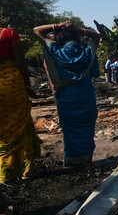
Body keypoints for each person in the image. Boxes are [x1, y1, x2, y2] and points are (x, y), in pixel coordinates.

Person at [34, 22, 101, 168]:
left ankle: (70, 161)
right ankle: (87, 161)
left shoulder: (56, 51)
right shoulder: (87, 52)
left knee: (69, 130)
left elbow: (37, 30)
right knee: (87, 128)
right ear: (76, 38)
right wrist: (77, 29)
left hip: (66, 96)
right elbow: (96, 36)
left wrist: (57, 26)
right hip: (85, 96)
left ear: (59, 40)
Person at [0, 26, 40, 182]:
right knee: (21, 123)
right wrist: (27, 86)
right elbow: (21, 63)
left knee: (2, 128)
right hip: (12, 84)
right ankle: (26, 171)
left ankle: (5, 173)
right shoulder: (9, 33)